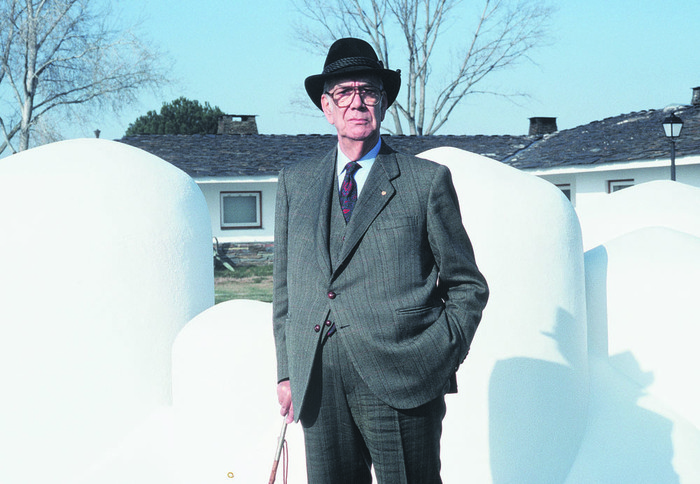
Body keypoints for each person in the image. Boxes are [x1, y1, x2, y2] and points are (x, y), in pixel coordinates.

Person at [273, 37, 489, 484]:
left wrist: (437, 357)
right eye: (344, 93)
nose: (357, 103)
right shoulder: (296, 183)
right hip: (318, 380)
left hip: (403, 379)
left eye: (368, 91)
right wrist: (288, 371)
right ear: (325, 106)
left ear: (384, 102)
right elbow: (285, 291)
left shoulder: (425, 181)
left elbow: (467, 285)